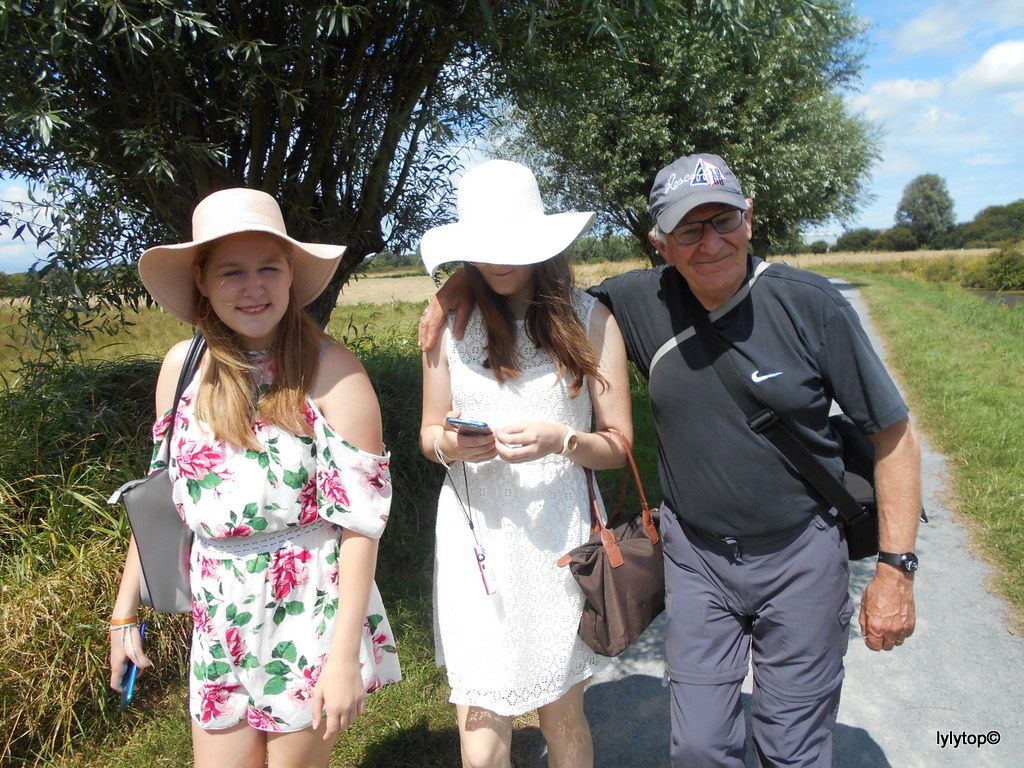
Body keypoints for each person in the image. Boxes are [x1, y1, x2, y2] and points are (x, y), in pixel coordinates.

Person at [419, 153, 922, 768]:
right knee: (701, 747)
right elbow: (533, 291)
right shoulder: (640, 301)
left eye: (725, 220)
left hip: (800, 552)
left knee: (792, 747)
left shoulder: (809, 304)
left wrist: (896, 569)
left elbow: (893, 434)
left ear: (749, 219)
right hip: (696, 558)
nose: (711, 243)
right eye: (689, 229)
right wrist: (463, 282)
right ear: (660, 243)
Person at [108, 188, 401, 768]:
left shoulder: (332, 371)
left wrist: (344, 659)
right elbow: (163, 499)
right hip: (218, 614)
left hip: (310, 609)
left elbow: (360, 524)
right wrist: (124, 612)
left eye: (268, 268)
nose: (252, 287)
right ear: (202, 280)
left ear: (290, 275)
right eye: (232, 272)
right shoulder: (181, 368)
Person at [418, 160, 633, 768]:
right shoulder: (448, 324)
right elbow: (428, 435)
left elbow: (618, 447)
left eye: (512, 243)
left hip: (557, 543)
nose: (498, 259)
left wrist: (561, 439)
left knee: (563, 716)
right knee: (481, 722)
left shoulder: (591, 319)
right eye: (482, 247)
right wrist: (451, 447)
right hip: (475, 541)